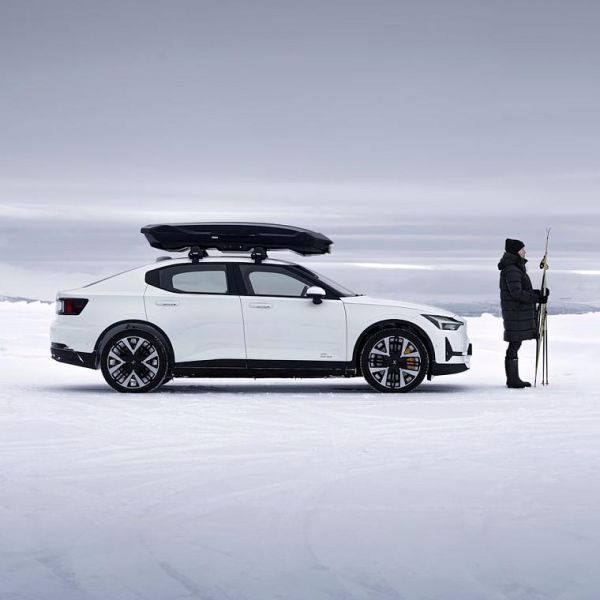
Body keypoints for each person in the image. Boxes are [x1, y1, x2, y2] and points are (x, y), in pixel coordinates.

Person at [498, 238, 549, 388]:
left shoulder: (514, 268)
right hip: (515, 313)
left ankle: (513, 379)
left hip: (516, 313)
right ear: (516, 251)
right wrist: (537, 298)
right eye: (522, 250)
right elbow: (517, 293)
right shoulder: (512, 270)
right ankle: (513, 380)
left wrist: (539, 293)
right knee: (514, 344)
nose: (525, 252)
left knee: (515, 343)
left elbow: (522, 290)